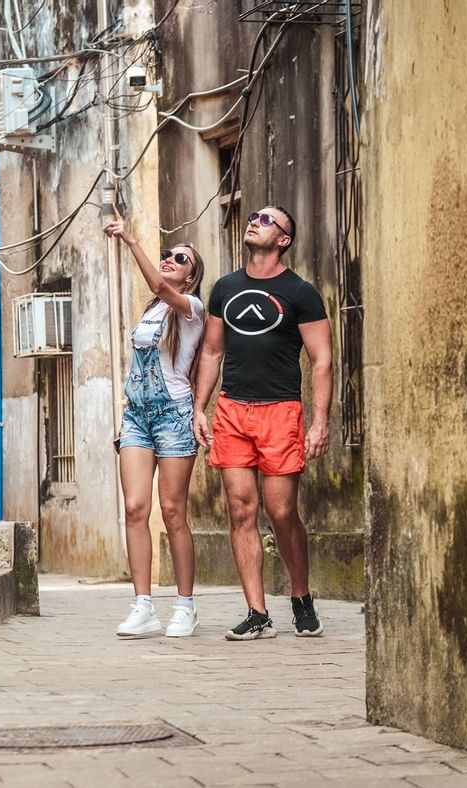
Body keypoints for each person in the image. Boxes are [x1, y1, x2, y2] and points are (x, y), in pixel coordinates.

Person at [192, 205, 332, 640]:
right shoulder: (226, 287)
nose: (255, 220)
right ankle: (257, 613)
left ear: (284, 239)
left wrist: (320, 421)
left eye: (268, 219)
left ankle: (301, 596)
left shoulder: (301, 292)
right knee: (241, 510)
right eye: (254, 215)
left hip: (280, 412)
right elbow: (212, 352)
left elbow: (322, 359)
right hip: (233, 410)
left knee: (282, 511)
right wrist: (201, 407)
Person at [104, 208, 206, 639]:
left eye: (180, 258)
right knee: (134, 508)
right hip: (138, 418)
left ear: (191, 276)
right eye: (167, 253)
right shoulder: (151, 311)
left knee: (173, 512)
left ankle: (185, 606)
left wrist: (130, 239)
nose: (170, 259)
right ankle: (143, 604)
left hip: (175, 417)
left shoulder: (190, 308)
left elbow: (158, 285)